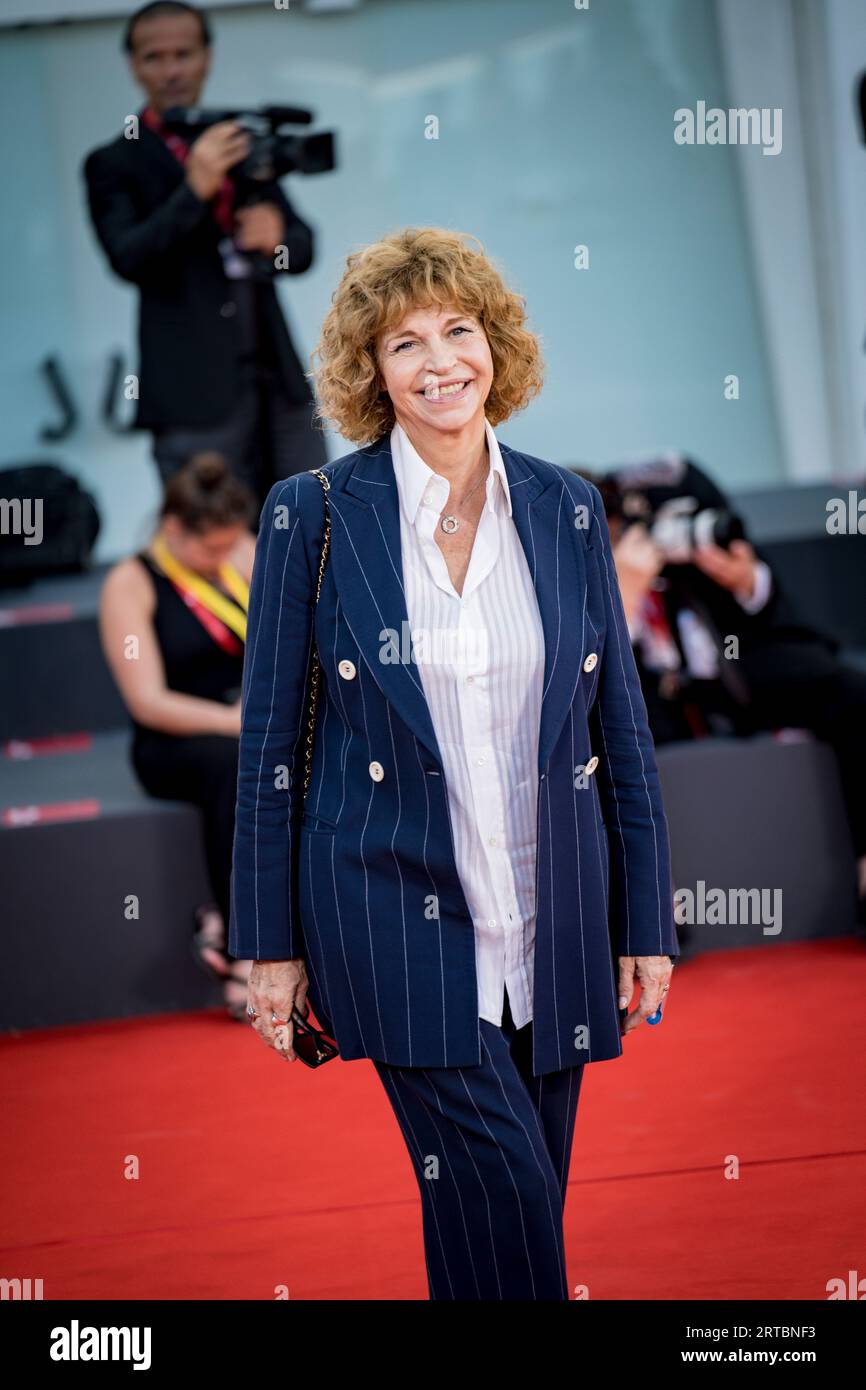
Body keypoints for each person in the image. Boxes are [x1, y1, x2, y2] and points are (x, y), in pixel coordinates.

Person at [229, 227, 679, 1301]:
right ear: (369, 373)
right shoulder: (316, 514)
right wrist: (267, 948)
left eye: (458, 330)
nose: (439, 362)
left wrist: (645, 924)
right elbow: (267, 752)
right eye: (402, 343)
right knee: (506, 1189)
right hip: (389, 918)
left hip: (554, 919)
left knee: (501, 1215)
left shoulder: (567, 506)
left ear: (496, 344)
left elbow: (618, 732)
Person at [598, 454, 866, 920]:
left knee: (851, 689)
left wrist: (747, 580)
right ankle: (653, 906)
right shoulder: (590, 576)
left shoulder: (697, 568)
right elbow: (592, 680)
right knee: (605, 738)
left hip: (735, 687)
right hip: (650, 708)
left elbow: (781, 627)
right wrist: (624, 596)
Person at [82, 0, 327, 508]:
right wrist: (194, 190)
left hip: (276, 380)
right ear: (134, 66)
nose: (172, 70)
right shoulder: (114, 161)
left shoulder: (238, 140)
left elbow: (303, 250)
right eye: (155, 57)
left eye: (184, 54)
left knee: (312, 528)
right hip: (191, 395)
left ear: (206, 58)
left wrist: (277, 240)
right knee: (211, 543)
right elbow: (129, 259)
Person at [99, 453, 257, 1019]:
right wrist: (238, 721)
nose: (221, 559)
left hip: (249, 722)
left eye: (229, 544)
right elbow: (148, 701)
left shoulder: (242, 550)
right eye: (209, 549)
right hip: (176, 739)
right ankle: (239, 948)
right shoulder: (130, 583)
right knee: (234, 765)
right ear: (172, 530)